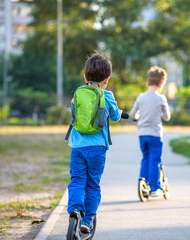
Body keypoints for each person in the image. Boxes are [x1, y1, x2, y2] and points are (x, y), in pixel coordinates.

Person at [67, 51, 121, 233]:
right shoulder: (107, 95)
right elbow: (115, 116)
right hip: (97, 148)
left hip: (77, 147)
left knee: (77, 180)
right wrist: (120, 113)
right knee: (92, 184)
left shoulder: (78, 93)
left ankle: (74, 209)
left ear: (85, 76)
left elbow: (74, 116)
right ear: (107, 78)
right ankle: (88, 220)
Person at [129, 66, 171, 197]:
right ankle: (154, 187)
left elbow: (132, 114)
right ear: (161, 84)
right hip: (155, 134)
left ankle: (143, 181)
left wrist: (137, 117)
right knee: (155, 160)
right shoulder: (161, 98)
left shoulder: (141, 97)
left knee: (145, 158)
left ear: (147, 83)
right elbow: (167, 117)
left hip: (142, 134)